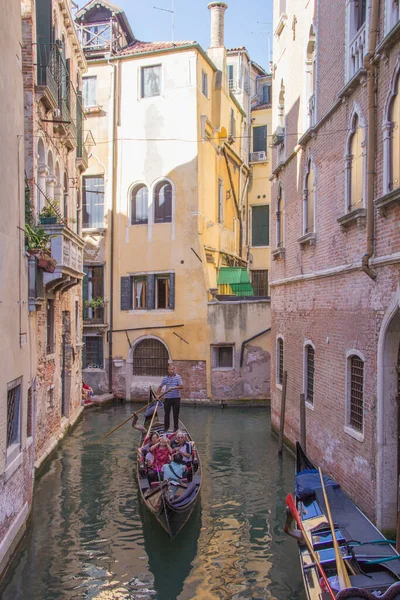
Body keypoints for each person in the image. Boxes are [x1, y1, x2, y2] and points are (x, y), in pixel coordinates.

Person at [156, 363, 183, 433]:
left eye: (172, 369)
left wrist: (173, 388)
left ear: (174, 370)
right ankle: (166, 427)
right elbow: (160, 386)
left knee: (175, 413)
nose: (171, 371)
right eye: (170, 369)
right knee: (166, 413)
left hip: (176, 398)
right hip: (167, 398)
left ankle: (176, 428)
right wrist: (157, 395)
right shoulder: (165, 378)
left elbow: (181, 386)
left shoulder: (178, 377)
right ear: (168, 370)